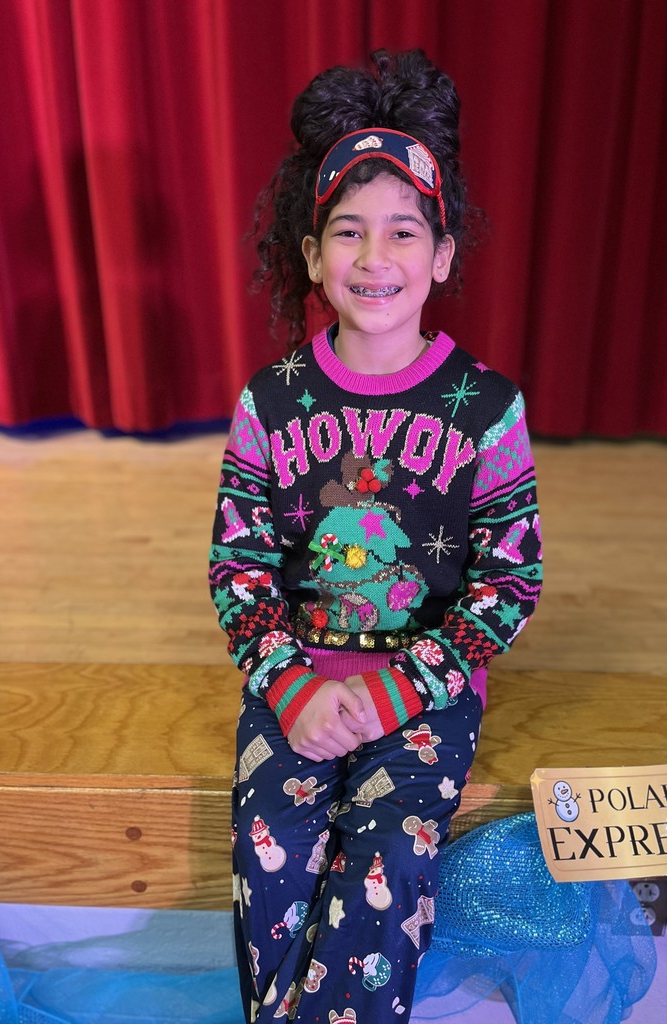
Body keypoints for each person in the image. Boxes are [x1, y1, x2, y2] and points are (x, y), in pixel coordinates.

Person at [209, 48, 543, 1024]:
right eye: (347, 231)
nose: (374, 256)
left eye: (403, 232)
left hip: (424, 686)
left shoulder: (485, 408)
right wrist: (294, 687)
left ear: (442, 255)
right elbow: (239, 572)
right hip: (296, 681)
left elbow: (510, 585)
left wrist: (398, 688)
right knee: (270, 844)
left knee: (391, 853)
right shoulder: (271, 402)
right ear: (311, 254)